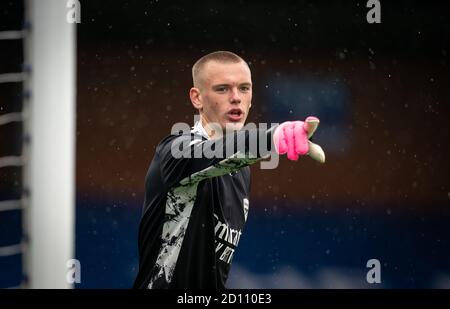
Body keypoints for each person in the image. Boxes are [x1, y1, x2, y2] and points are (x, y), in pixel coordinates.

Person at [133, 51, 325, 289]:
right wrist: (272, 137)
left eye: (244, 88)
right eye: (222, 89)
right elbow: (212, 153)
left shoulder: (242, 171)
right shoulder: (174, 151)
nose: (236, 98)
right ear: (197, 98)